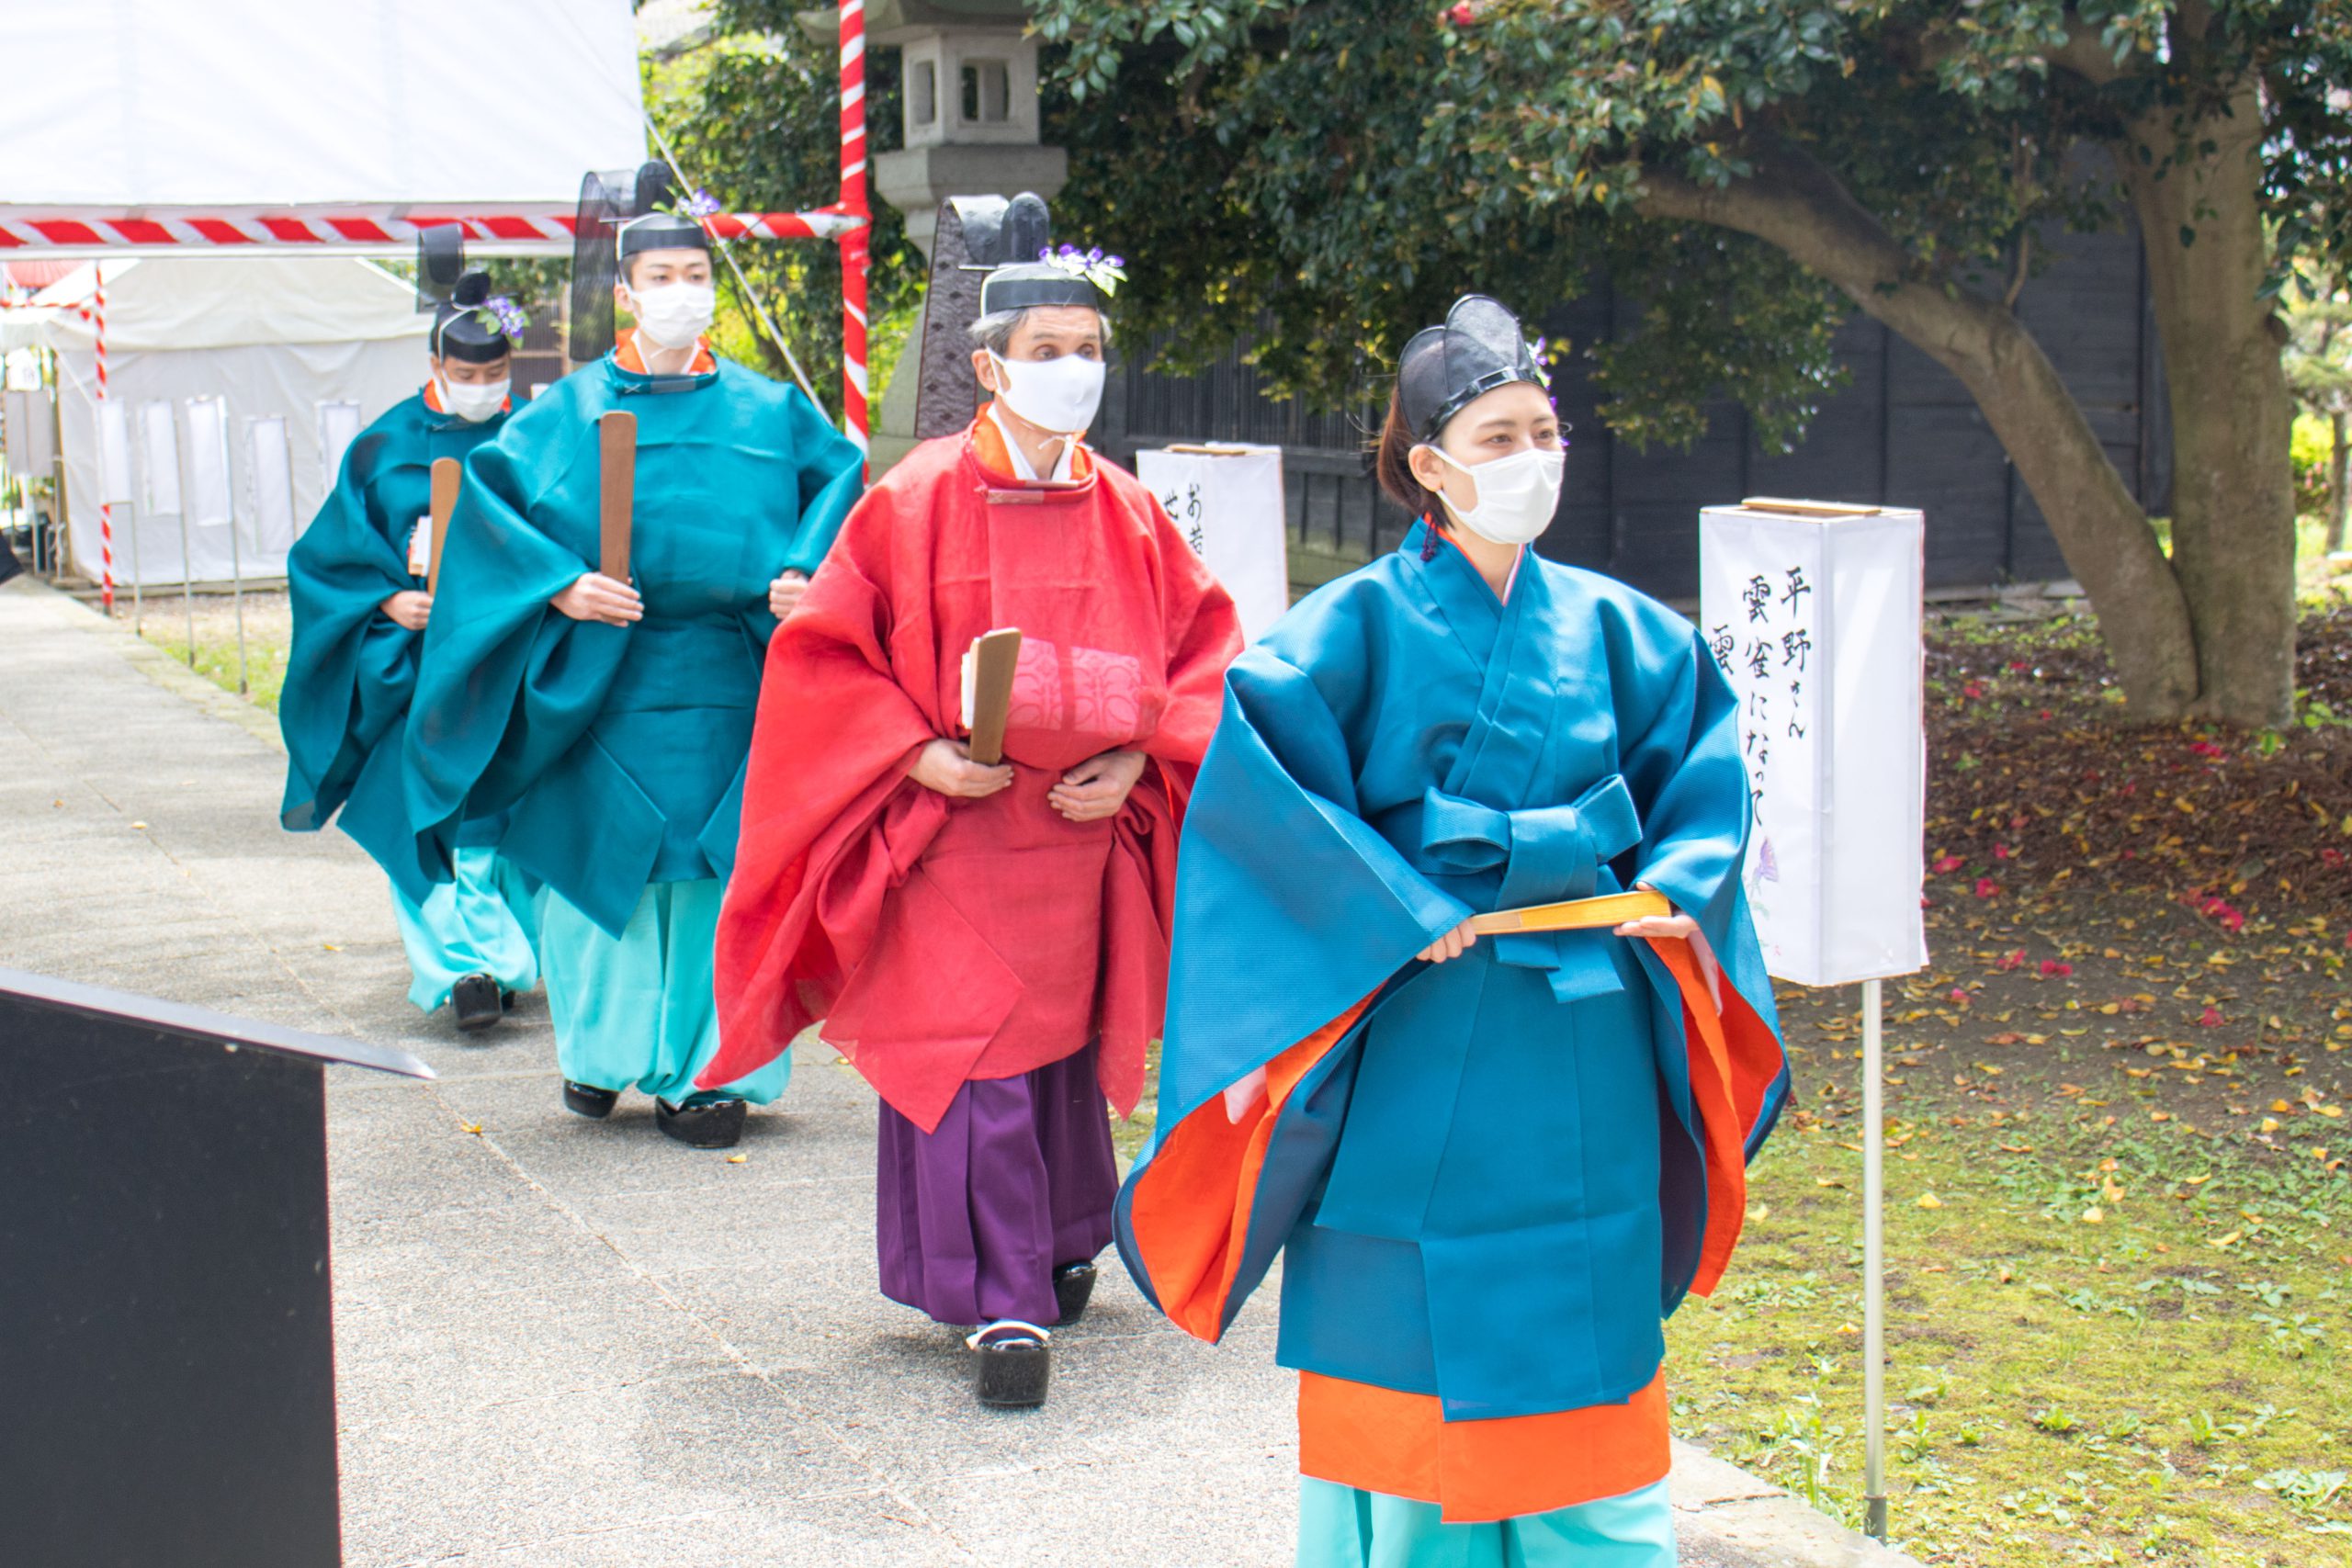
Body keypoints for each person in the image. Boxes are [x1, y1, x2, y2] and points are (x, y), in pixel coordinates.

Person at [1114, 296, 1791, 1564]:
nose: (1532, 457)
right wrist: (1398, 903)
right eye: (1498, 436)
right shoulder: (1348, 628)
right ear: (1429, 465)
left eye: (1544, 431)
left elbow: (1702, 790)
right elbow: (1265, 800)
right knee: (1406, 1357)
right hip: (1421, 1030)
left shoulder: (1628, 631)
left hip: (1584, 1030)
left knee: (1583, 1334)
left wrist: (1671, 890)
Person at [701, 243, 1244, 1404]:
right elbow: (824, 656)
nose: (1073, 369)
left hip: (1078, 835)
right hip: (955, 838)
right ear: (990, 368)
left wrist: (1137, 756)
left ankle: (1061, 1239)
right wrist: (916, 752)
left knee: (1058, 1057)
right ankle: (1001, 1302)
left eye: (1088, 350)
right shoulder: (914, 499)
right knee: (973, 1055)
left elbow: (1204, 653)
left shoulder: (1129, 509)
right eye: (1047, 350)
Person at [401, 172, 864, 1147]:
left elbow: (842, 486)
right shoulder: (567, 410)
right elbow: (485, 510)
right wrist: (560, 584)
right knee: (600, 866)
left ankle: (710, 1073)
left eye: (696, 274)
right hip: (604, 674)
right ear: (625, 291)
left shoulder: (770, 408)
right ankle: (598, 1055)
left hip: (731, 672)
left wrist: (803, 572)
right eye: (661, 276)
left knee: (716, 873)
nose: (681, 292)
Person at [279, 243, 537, 1032]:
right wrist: (388, 599)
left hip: (505, 659)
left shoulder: (531, 434)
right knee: (417, 807)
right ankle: (460, 972)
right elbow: (326, 558)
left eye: (496, 372)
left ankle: (503, 960)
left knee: (496, 816)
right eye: (467, 372)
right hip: (414, 665)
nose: (483, 385)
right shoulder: (384, 447)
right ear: (436, 363)